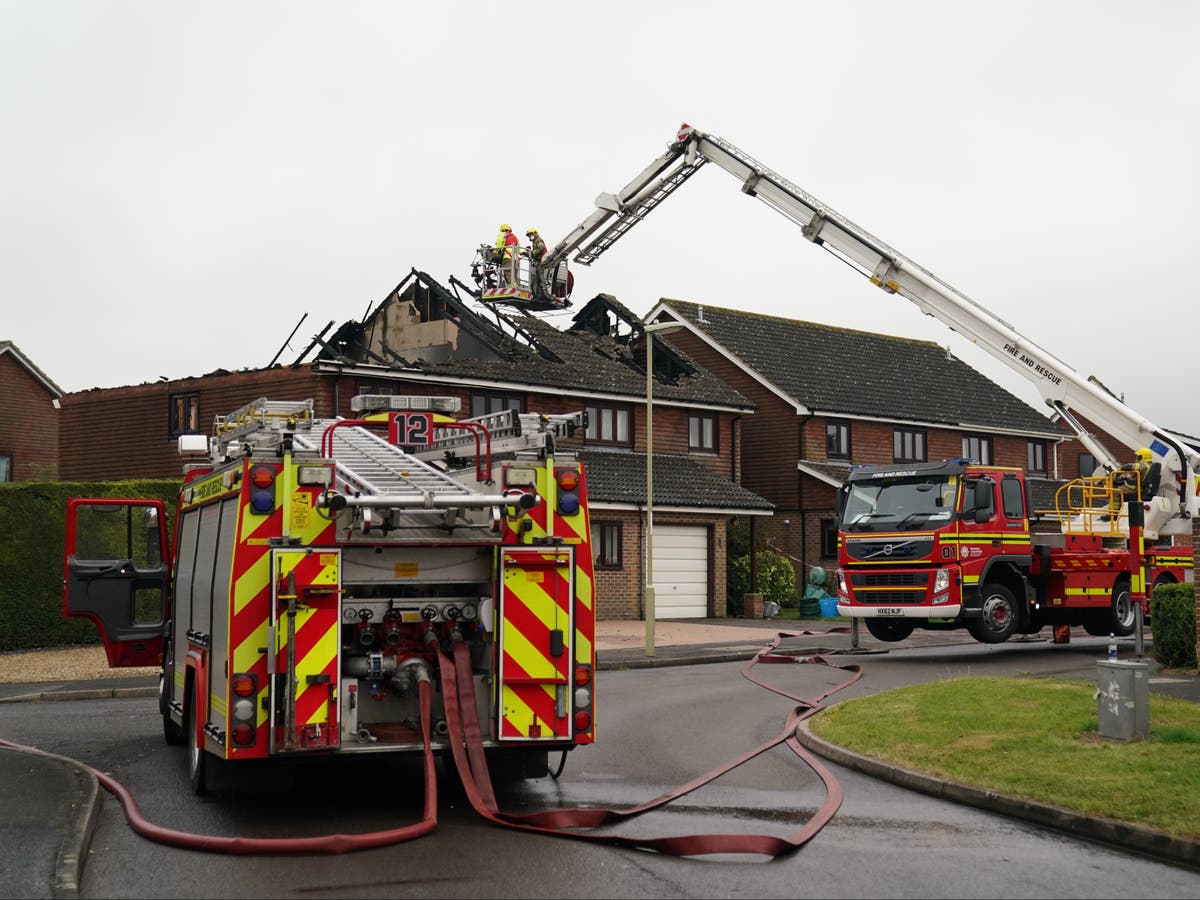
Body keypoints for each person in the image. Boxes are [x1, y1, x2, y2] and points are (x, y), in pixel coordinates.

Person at [494, 223, 520, 288]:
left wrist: (495, 253)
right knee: (514, 275)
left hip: (507, 257)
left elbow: (499, 245)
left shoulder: (502, 234)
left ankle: (513, 288)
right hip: (516, 258)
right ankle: (516, 287)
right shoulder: (515, 237)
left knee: (507, 273)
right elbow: (519, 249)